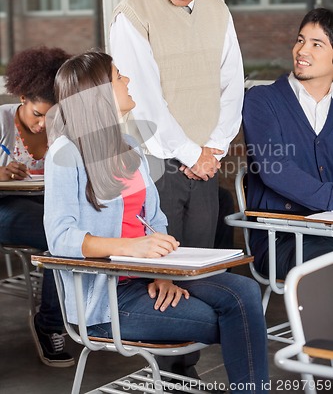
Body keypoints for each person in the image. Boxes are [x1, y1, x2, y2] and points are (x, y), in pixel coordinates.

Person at [43, 50, 269, 393]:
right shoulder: (66, 152)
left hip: (148, 277)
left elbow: (155, 219)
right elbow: (60, 237)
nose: (129, 81)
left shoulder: (130, 145)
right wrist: (133, 248)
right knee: (226, 317)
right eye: (119, 76)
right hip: (107, 298)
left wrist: (162, 273)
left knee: (245, 293)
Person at [109, 0, 244, 376]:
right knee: (161, 272)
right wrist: (193, 154)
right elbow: (144, 99)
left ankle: (183, 368)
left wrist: (215, 148)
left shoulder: (218, 10)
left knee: (198, 267)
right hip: (154, 164)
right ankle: (162, 371)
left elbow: (232, 85)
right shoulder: (132, 13)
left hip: (205, 163)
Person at [242, 7, 333, 280]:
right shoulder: (261, 101)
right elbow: (274, 169)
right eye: (301, 40)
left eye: (317, 44)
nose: (303, 50)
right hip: (280, 239)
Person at [0, 45, 74, 367]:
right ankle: (50, 325)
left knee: (80, 227)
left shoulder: (66, 128)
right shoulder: (1, 122)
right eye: (37, 114)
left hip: (46, 205)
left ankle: (93, 315)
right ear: (21, 100)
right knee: (56, 234)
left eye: (51, 115)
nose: (43, 124)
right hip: (5, 208)